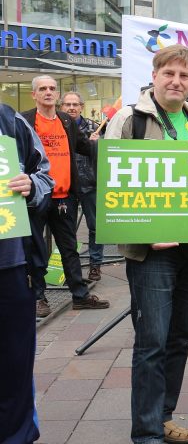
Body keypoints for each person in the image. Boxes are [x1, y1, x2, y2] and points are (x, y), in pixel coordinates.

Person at [105, 45, 188, 444]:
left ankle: (164, 416)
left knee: (182, 336)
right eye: (169, 73)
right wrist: (142, 231)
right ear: (154, 76)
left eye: (185, 76)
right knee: (152, 342)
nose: (177, 81)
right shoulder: (129, 120)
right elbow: (109, 186)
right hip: (153, 252)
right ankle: (148, 433)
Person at [22, 76, 108, 317]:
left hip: (64, 198)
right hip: (36, 198)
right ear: (34, 94)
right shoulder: (26, 121)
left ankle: (80, 296)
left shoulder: (66, 121)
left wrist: (99, 145)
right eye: (43, 89)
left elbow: (83, 146)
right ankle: (38, 297)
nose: (48, 92)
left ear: (56, 94)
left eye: (52, 88)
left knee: (69, 248)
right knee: (36, 249)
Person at [0, 102, 53, 444]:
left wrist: (32, 187)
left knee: (14, 363)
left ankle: (16, 436)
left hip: (12, 265)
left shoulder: (10, 120)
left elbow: (45, 176)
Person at [61, 91, 103, 281]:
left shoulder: (95, 127)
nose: (71, 108)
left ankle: (95, 265)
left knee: (95, 227)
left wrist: (97, 144)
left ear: (81, 107)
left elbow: (107, 155)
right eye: (67, 104)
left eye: (75, 104)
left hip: (89, 183)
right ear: (61, 107)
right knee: (66, 229)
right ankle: (71, 267)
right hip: (65, 184)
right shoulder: (57, 126)